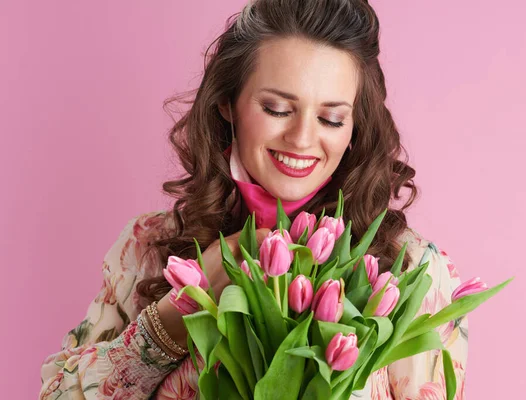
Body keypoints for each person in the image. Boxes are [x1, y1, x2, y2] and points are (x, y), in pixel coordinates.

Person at [39, 0, 468, 398]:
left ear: (355, 125)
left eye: (330, 118)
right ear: (228, 102)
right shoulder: (147, 249)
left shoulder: (410, 273)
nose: (302, 139)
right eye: (277, 109)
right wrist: (174, 317)